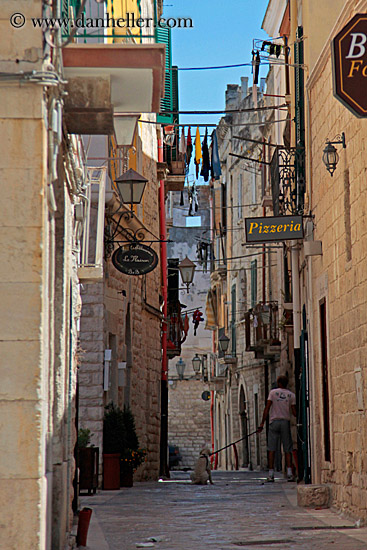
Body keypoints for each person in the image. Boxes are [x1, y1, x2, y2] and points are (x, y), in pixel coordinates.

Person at [257, 375, 296, 482]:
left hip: (274, 422)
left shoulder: (273, 393)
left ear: (278, 383)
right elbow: (294, 412)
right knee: (287, 448)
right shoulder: (291, 395)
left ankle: (271, 474)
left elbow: (267, 408)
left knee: (271, 449)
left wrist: (262, 424)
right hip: (285, 422)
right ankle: (289, 473)